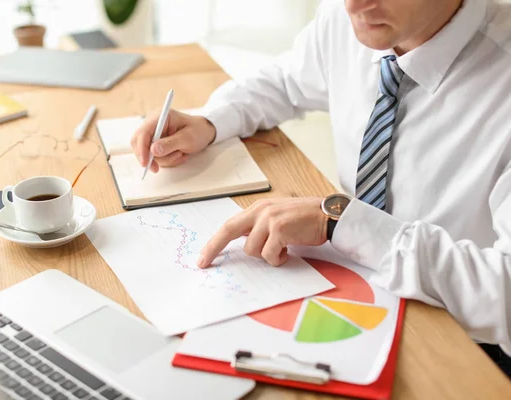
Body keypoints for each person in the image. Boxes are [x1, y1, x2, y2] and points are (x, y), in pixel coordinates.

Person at [130, 0, 511, 378]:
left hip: (461, 341)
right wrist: (211, 121)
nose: (351, 4)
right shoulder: (349, 20)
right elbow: (285, 81)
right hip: (349, 290)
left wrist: (341, 220)